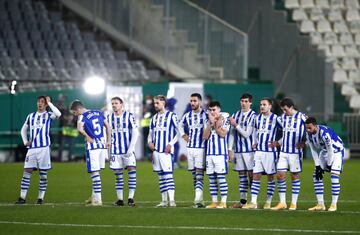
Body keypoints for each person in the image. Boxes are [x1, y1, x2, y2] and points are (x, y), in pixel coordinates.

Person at [15, 96, 61, 204]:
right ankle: (22, 198)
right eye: (38, 101)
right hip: (32, 149)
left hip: (44, 148)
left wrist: (50, 103)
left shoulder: (49, 115)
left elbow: (58, 114)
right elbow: (23, 130)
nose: (39, 103)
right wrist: (25, 142)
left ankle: (40, 198)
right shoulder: (31, 116)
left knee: (43, 175)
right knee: (26, 172)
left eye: (42, 102)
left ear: (45, 105)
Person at [69, 100, 111, 206]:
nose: (75, 115)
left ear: (78, 109)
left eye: (74, 112)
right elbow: (108, 127)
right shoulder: (98, 112)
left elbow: (79, 129)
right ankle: (94, 197)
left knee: (94, 173)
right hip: (102, 145)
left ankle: (98, 200)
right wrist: (109, 140)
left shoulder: (82, 116)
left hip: (92, 147)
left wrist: (87, 136)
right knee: (97, 172)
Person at [242, 98, 281, 209]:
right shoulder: (257, 118)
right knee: (256, 176)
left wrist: (278, 142)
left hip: (270, 152)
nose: (262, 106)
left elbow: (286, 130)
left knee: (270, 177)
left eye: (264, 104)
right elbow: (254, 131)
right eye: (261, 104)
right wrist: (254, 142)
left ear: (270, 106)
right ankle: (253, 202)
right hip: (259, 152)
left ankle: (268, 202)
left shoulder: (276, 118)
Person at [271, 98, 307, 211]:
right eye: (282, 110)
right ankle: (282, 203)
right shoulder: (283, 118)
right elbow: (285, 134)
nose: (284, 112)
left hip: (295, 153)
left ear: (291, 107)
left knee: (294, 175)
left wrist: (305, 142)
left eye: (285, 109)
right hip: (283, 152)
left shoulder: (302, 117)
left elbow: (311, 129)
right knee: (280, 175)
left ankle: (293, 203)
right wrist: (278, 143)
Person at [305, 117, 344, 212]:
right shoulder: (308, 134)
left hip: (336, 152)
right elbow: (313, 150)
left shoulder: (324, 133)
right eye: (307, 128)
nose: (308, 130)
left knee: (334, 176)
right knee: (316, 176)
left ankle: (334, 205)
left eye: (310, 128)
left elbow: (330, 149)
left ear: (315, 125)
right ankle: (320, 204)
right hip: (324, 151)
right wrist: (318, 166)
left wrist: (329, 165)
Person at [107, 97, 139, 207]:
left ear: (121, 105)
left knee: (132, 172)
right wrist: (108, 150)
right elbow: (107, 134)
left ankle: (131, 198)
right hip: (115, 151)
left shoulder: (129, 116)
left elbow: (135, 132)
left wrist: (131, 148)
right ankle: (120, 199)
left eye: (116, 103)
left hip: (127, 150)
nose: (114, 105)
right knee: (118, 175)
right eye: (112, 103)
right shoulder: (109, 117)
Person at [148, 95, 179, 207]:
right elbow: (150, 134)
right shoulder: (154, 118)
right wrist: (149, 142)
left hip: (166, 151)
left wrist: (170, 144)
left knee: (168, 175)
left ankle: (172, 201)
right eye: (154, 103)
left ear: (163, 103)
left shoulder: (172, 116)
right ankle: (164, 201)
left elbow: (179, 132)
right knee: (161, 176)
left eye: (157, 103)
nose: (155, 105)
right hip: (156, 151)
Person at [178, 93, 208, 208]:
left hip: (201, 148)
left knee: (199, 174)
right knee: (195, 175)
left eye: (195, 101)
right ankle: (200, 200)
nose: (192, 103)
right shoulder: (187, 115)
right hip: (190, 148)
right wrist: (183, 135)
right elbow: (179, 125)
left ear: (199, 102)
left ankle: (197, 200)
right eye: (191, 101)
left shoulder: (205, 115)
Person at [228, 93, 257, 208]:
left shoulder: (253, 116)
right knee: (241, 177)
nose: (243, 103)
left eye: (246, 101)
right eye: (242, 101)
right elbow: (231, 133)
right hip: (239, 151)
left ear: (250, 102)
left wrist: (235, 125)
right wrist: (230, 149)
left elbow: (246, 134)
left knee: (252, 177)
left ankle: (253, 202)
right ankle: (243, 202)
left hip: (250, 151)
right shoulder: (236, 114)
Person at [203, 101, 230, 209]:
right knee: (211, 179)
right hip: (210, 154)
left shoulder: (225, 119)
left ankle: (223, 202)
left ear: (219, 109)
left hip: (220, 154)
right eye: (210, 110)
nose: (212, 112)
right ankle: (214, 202)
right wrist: (210, 124)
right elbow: (205, 136)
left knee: (221, 178)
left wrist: (215, 123)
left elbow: (223, 134)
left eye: (214, 109)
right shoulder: (207, 121)